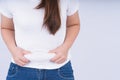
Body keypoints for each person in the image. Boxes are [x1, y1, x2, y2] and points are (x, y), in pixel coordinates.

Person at [0, 0, 80, 80]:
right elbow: (6, 27)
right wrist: (14, 50)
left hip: (59, 70)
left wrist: (65, 48)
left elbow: (73, 24)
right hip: (21, 70)